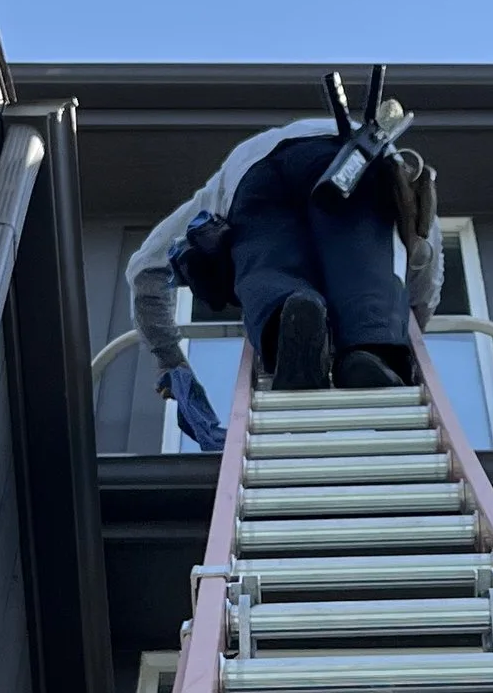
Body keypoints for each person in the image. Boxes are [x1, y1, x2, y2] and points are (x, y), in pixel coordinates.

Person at [126, 80, 443, 445]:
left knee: (266, 268)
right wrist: (407, 324)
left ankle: (286, 318)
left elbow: (145, 269)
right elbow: (423, 262)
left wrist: (170, 360)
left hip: (249, 174)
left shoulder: (211, 194)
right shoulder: (400, 194)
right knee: (367, 276)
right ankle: (369, 351)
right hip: (352, 155)